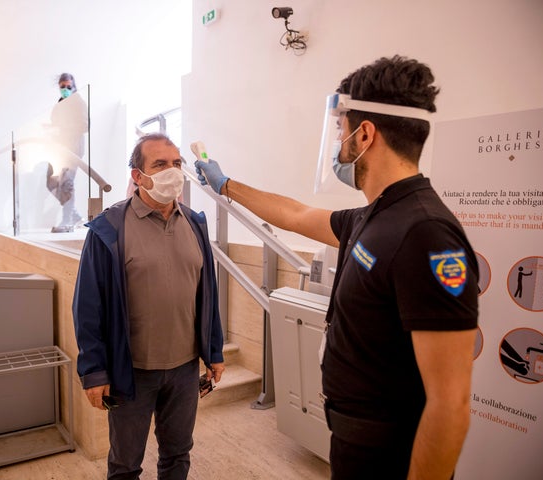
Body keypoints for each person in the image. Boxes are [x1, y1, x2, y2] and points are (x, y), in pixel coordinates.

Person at [195, 56, 479, 479]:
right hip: (354, 437)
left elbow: (450, 404)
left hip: (390, 451)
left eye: (340, 131)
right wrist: (226, 185)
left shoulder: (426, 234)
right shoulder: (374, 215)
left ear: (365, 133)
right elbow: (295, 213)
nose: (338, 144)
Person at [72, 133, 225, 480]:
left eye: (176, 164)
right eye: (160, 164)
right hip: (132, 372)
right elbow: (87, 306)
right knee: (125, 465)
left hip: (185, 371)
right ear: (137, 176)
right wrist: (94, 371)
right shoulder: (108, 229)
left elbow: (208, 293)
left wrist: (213, 351)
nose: (172, 172)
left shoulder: (195, 224)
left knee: (177, 455)